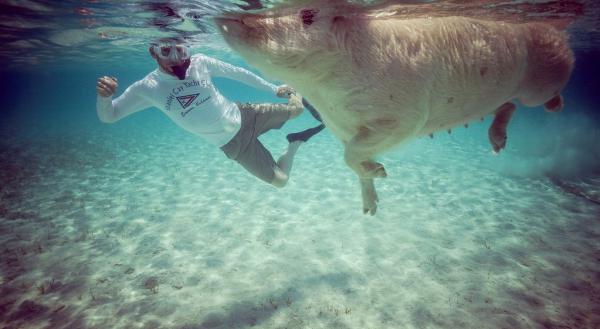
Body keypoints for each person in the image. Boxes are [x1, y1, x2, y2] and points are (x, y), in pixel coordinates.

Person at [96, 39, 324, 187]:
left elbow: (238, 73)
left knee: (297, 109)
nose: (176, 59)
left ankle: (298, 87)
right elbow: (110, 115)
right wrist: (105, 97)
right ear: (153, 53)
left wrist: (275, 89)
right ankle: (293, 144)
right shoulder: (148, 87)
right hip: (234, 144)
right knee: (281, 181)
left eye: (181, 51)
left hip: (245, 114)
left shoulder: (200, 63)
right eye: (166, 51)